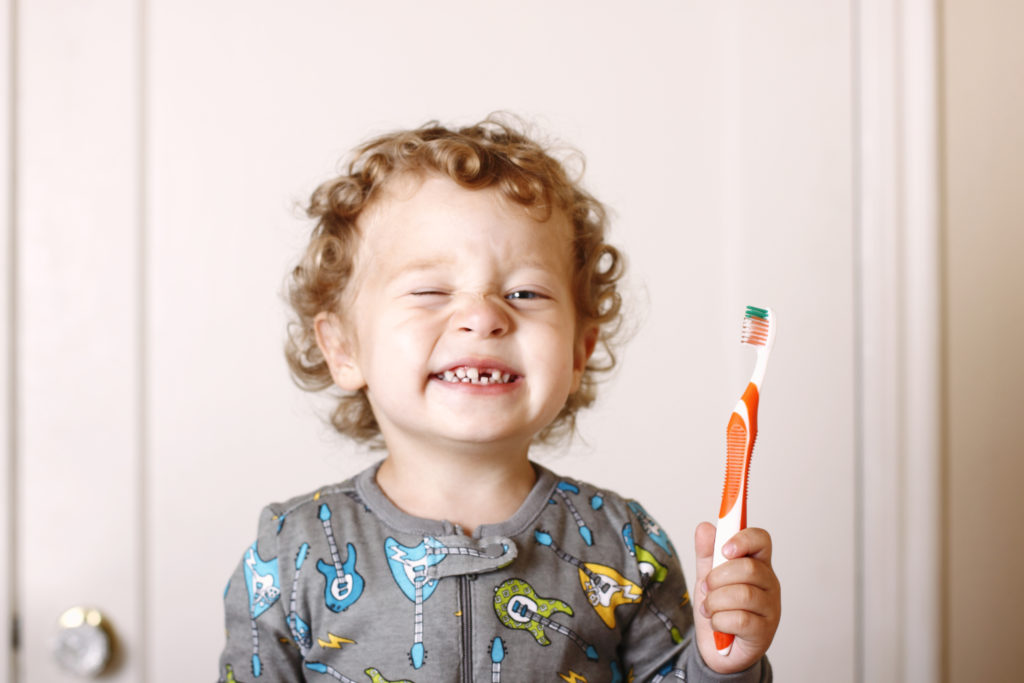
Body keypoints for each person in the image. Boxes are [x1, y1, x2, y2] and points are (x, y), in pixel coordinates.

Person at [218, 116, 780, 683]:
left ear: (579, 350)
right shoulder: (292, 551)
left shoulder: (626, 544)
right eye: (431, 291)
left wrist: (721, 665)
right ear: (343, 348)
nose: (484, 317)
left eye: (524, 293)